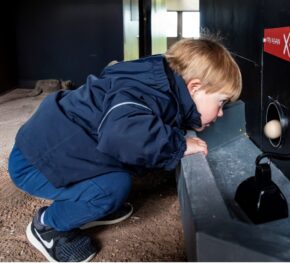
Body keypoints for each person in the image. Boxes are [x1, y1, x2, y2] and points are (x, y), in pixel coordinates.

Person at [8, 38, 242, 262]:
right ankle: (47, 226)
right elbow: (122, 134)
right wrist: (178, 145)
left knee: (126, 167)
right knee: (112, 189)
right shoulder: (149, 94)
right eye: (221, 102)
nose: (221, 113)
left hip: (51, 148)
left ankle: (89, 204)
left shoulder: (157, 81)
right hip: (35, 163)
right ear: (195, 88)